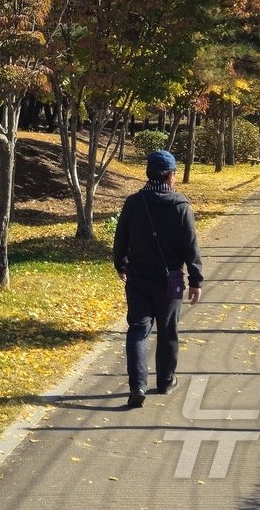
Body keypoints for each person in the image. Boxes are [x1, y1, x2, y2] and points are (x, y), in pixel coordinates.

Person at [113, 148, 203, 408]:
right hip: (171, 280)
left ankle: (137, 385)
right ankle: (165, 381)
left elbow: (121, 239)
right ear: (171, 175)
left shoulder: (134, 203)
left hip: (138, 278)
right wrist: (196, 280)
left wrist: (121, 264)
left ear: (148, 173)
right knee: (168, 329)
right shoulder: (181, 206)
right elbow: (191, 246)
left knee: (138, 330)